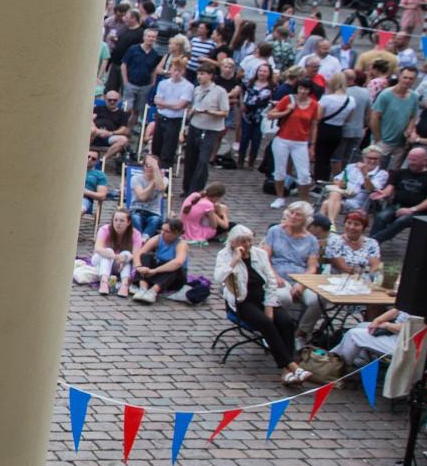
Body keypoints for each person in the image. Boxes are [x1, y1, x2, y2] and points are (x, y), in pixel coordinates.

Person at [214, 226, 308, 384]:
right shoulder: (224, 255)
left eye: (249, 240)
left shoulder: (260, 254)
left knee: (285, 322)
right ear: (233, 242)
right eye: (243, 241)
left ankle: (287, 370)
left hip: (263, 297)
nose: (247, 244)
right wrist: (235, 260)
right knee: (266, 323)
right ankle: (292, 365)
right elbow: (219, 277)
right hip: (242, 300)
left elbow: (271, 281)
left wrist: (269, 305)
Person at [267, 80, 318, 207]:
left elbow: (314, 126)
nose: (303, 92)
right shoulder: (288, 99)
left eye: (306, 89)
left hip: (301, 142)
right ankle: (280, 197)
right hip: (283, 139)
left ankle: (304, 201)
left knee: (304, 174)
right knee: (279, 170)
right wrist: (286, 111)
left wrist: (312, 145)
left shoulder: (314, 105)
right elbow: (271, 115)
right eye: (301, 88)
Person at [373, 146, 427, 243]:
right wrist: (383, 193)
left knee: (402, 220)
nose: (411, 162)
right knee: (381, 216)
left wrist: (412, 209)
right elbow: (389, 189)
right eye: (410, 159)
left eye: (414, 160)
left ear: (424, 161)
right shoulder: (400, 173)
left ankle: (373, 241)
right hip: (397, 206)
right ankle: (374, 243)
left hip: (419, 211)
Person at [181, 64, 228, 195]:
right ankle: (187, 187)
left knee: (202, 160)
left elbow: (225, 112)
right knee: (190, 158)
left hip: (210, 129)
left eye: (203, 74)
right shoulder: (196, 89)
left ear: (210, 76)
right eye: (198, 74)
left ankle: (196, 189)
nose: (199, 77)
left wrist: (210, 112)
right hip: (195, 126)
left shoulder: (219, 91)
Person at [128, 218, 190, 303]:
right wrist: (139, 266)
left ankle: (153, 291)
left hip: (174, 277)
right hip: (157, 272)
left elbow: (178, 262)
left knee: (173, 266)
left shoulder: (181, 244)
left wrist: (155, 271)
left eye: (167, 231)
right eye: (162, 230)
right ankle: (143, 288)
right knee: (146, 257)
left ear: (176, 234)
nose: (162, 233)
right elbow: (139, 253)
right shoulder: (158, 238)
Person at [92, 209, 143, 297]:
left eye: (122, 221)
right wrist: (116, 256)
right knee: (108, 251)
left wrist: (124, 258)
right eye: (115, 220)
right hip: (100, 260)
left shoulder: (135, 234)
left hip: (120, 264)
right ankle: (104, 282)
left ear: (128, 222)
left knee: (126, 253)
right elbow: (98, 249)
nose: (118, 223)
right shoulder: (105, 229)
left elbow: (136, 254)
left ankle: (124, 284)